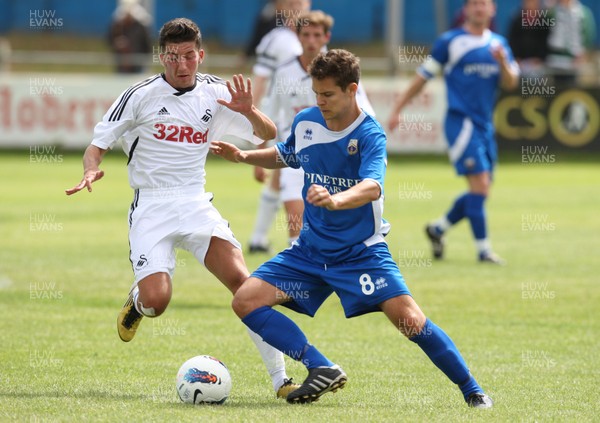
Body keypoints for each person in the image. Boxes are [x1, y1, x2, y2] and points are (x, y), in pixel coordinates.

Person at [210, 49, 494, 408]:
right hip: (310, 252)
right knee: (246, 300)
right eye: (316, 93)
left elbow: (372, 186)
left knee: (410, 321)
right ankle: (320, 367)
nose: (320, 101)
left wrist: (336, 200)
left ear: (352, 90)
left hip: (360, 253)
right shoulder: (307, 121)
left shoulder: (370, 135)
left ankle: (472, 390)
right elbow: (288, 153)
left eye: (328, 94)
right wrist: (244, 156)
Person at [66, 17, 298, 399]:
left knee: (246, 287)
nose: (181, 63)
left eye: (189, 55)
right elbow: (97, 144)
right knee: (157, 301)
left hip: (194, 201)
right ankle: (139, 300)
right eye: (173, 56)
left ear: (201, 56)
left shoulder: (217, 93)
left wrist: (250, 110)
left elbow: (268, 133)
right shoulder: (139, 95)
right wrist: (91, 170)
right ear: (161, 56)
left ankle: (281, 380)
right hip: (151, 205)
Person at [389, 0, 520, 264]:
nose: (479, 8)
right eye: (474, 3)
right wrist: (398, 109)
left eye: (484, 3)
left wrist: (503, 62)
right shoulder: (450, 42)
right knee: (480, 185)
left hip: (485, 126)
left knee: (481, 191)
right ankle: (484, 251)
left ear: (493, 9)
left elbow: (511, 82)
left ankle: (438, 229)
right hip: (460, 123)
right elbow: (422, 77)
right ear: (466, 10)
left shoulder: (499, 44)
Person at [261, 10, 375, 245]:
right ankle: (296, 267)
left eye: (316, 35)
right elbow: (269, 115)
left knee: (332, 227)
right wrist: (261, 150)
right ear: (298, 36)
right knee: (297, 227)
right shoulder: (283, 72)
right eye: (306, 34)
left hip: (332, 157)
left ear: (326, 37)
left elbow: (365, 113)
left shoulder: (341, 71)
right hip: (295, 155)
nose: (311, 41)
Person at [248, 0, 311, 252]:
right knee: (287, 177)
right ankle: (295, 246)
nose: (300, 6)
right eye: (294, 2)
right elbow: (260, 82)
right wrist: (253, 117)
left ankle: (258, 239)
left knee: (281, 178)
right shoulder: (276, 39)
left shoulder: (311, 37)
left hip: (304, 123)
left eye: (302, 2)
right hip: (281, 121)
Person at [546, 0, 596, 87]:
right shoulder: (552, 12)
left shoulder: (583, 13)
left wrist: (583, 54)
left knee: (573, 92)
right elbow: (543, 34)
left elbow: (589, 35)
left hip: (575, 65)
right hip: (554, 63)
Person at [107, 0, 153, 74]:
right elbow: (110, 40)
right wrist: (116, 44)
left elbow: (147, 44)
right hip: (121, 64)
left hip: (138, 64)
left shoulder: (141, 26)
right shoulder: (117, 24)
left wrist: (145, 60)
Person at [508, 0, 550, 78]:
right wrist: (516, 59)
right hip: (519, 63)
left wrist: (539, 59)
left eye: (533, 2)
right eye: (528, 2)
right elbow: (512, 41)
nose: (530, 4)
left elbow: (545, 43)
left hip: (538, 65)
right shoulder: (516, 20)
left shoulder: (544, 21)